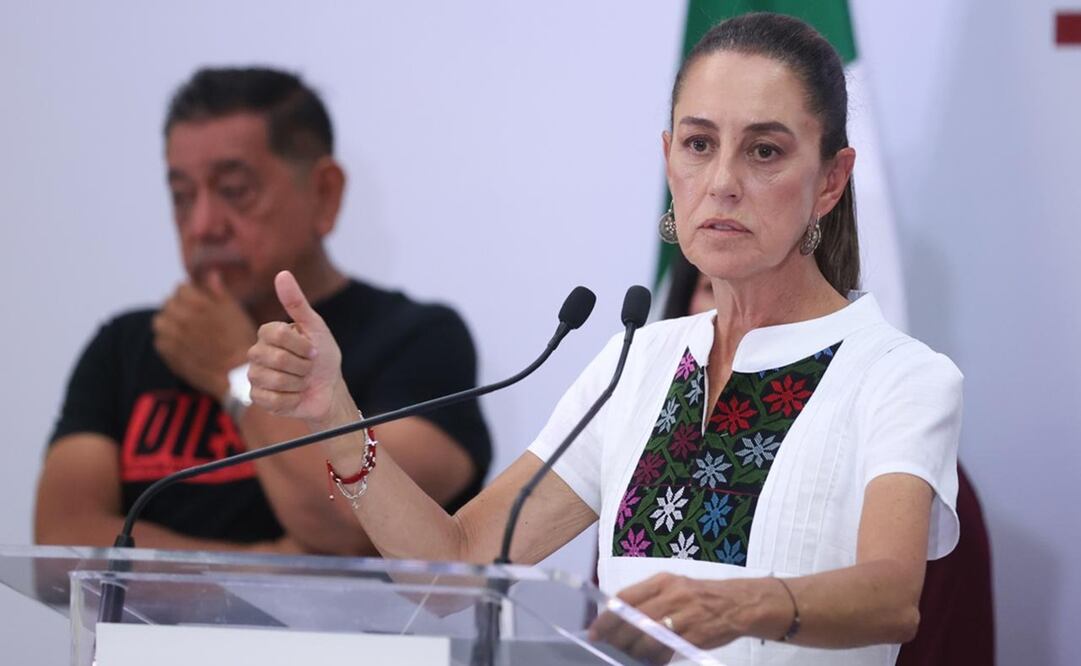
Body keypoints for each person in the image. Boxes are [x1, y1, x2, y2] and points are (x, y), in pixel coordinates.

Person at [247, 13, 962, 665]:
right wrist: (334, 413)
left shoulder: (898, 375)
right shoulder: (637, 362)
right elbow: (454, 573)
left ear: (831, 181)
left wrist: (739, 604)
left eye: (764, 151)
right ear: (667, 158)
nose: (720, 182)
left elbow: (889, 598)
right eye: (698, 144)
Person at [34, 67, 491, 556]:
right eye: (182, 196)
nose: (203, 225)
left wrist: (234, 370)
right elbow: (62, 539)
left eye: (235, 191)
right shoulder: (126, 345)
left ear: (324, 193)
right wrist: (256, 570)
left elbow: (353, 523)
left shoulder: (419, 340)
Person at [664, 250, 994, 664]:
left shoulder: (906, 463)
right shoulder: (650, 428)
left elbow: (929, 625)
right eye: (710, 290)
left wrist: (742, 608)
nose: (733, 318)